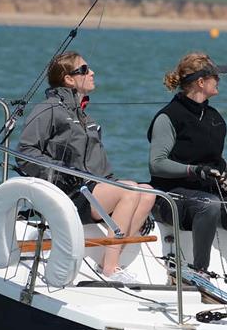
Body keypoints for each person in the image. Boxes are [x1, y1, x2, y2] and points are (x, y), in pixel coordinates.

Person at [18, 51, 155, 283]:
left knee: (147, 193)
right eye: (84, 70)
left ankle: (110, 262)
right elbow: (25, 152)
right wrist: (60, 171)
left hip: (89, 191)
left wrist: (127, 197)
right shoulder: (49, 109)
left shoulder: (83, 116)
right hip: (68, 193)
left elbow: (100, 167)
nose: (91, 73)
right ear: (69, 79)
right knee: (129, 190)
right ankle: (111, 270)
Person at [148, 52, 227, 283]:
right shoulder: (168, 117)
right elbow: (157, 164)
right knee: (209, 204)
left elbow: (214, 157)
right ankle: (199, 273)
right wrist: (194, 170)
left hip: (210, 193)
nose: (219, 80)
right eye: (215, 76)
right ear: (201, 82)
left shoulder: (214, 117)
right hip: (173, 198)